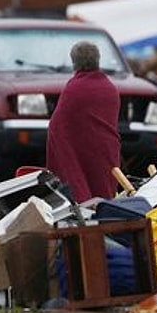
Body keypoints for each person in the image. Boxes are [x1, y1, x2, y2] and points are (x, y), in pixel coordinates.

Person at [45, 41, 120, 203]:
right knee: (104, 193)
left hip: (79, 150)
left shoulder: (74, 88)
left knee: (82, 190)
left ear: (74, 63)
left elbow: (57, 125)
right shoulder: (110, 88)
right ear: (98, 60)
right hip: (106, 149)